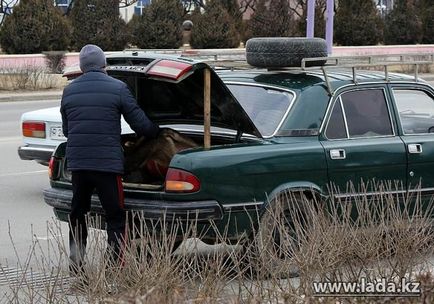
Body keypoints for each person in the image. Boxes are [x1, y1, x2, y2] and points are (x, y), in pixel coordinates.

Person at [60, 44, 159, 275]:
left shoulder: (69, 91)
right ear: (104, 64)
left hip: (79, 164)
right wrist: (157, 132)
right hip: (107, 166)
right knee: (115, 215)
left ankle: (76, 263)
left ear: (82, 67)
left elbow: (67, 130)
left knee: (77, 213)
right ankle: (114, 267)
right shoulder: (118, 88)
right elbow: (140, 125)